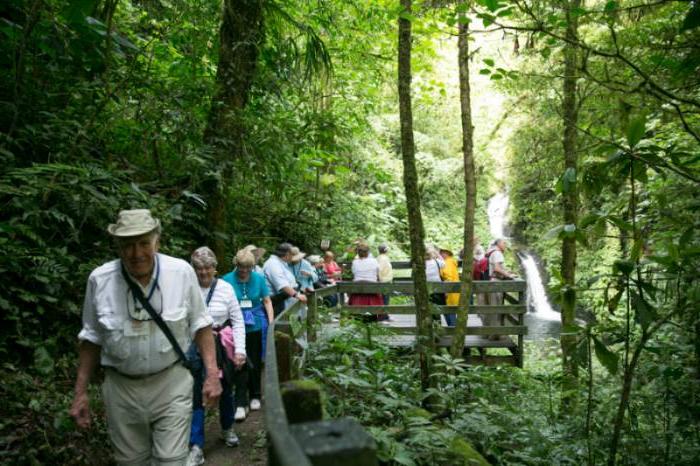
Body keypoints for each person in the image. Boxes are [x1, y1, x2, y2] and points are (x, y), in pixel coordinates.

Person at [70, 209, 222, 465]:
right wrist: (80, 392)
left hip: (171, 383)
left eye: (143, 243)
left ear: (157, 242)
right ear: (118, 246)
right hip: (121, 388)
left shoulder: (181, 273)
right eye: (128, 245)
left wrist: (212, 374)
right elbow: (91, 337)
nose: (136, 253)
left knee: (172, 459)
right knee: (130, 461)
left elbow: (201, 325)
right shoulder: (100, 280)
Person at [187, 247, 246, 465]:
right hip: (194, 348)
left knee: (226, 390)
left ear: (215, 268)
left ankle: (227, 427)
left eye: (207, 268)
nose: (203, 273)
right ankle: (196, 445)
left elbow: (237, 320)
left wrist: (240, 350)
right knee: (196, 395)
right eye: (199, 268)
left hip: (221, 347)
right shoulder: (186, 288)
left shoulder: (226, 288)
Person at [222, 249, 274, 423]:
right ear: (236, 264)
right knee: (238, 363)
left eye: (248, 267)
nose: (244, 271)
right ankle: (240, 402)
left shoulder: (259, 279)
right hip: (234, 327)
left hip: (255, 325)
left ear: (253, 266)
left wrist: (271, 322)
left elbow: (267, 301)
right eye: (241, 267)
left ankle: (255, 395)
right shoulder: (226, 280)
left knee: (255, 361)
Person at [486, 239, 518, 340]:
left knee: (494, 308)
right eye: (504, 243)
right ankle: (494, 335)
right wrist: (508, 275)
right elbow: (496, 268)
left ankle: (493, 333)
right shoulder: (497, 253)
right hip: (496, 282)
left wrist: (507, 272)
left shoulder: (493, 252)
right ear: (499, 244)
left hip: (493, 281)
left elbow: (497, 268)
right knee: (496, 308)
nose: (505, 245)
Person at [263, 243, 307, 316]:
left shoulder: (281, 263)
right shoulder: (273, 264)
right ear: (287, 254)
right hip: (277, 302)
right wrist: (297, 295)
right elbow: (282, 285)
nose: (293, 257)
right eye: (292, 255)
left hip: (286, 300)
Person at [349, 242, 387, 321]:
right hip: (372, 290)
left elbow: (354, 273)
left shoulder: (355, 262)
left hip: (358, 291)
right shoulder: (374, 261)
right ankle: (380, 316)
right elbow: (377, 274)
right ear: (368, 252)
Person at [439, 248, 459, 327]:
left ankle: (452, 329)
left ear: (447, 253)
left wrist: (446, 291)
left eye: (442, 252)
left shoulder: (447, 262)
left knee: (450, 309)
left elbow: (448, 277)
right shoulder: (451, 261)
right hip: (454, 289)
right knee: (451, 309)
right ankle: (452, 327)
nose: (440, 254)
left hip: (450, 289)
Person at [425, 246, 446, 321]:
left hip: (426, 287)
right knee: (437, 306)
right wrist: (438, 255)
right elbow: (444, 264)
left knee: (427, 306)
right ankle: (437, 323)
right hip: (437, 287)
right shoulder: (437, 262)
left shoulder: (421, 263)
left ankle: (430, 322)